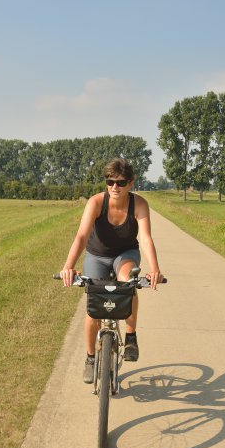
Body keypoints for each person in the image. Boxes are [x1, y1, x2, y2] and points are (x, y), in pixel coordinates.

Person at [59, 158, 163, 383]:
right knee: (93, 305)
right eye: (110, 181)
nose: (115, 187)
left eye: (121, 182)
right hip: (97, 255)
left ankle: (131, 336)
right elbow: (81, 236)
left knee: (128, 284)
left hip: (125, 254)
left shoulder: (140, 205)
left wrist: (155, 269)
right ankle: (90, 358)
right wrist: (68, 266)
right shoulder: (96, 202)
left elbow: (145, 238)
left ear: (131, 183)